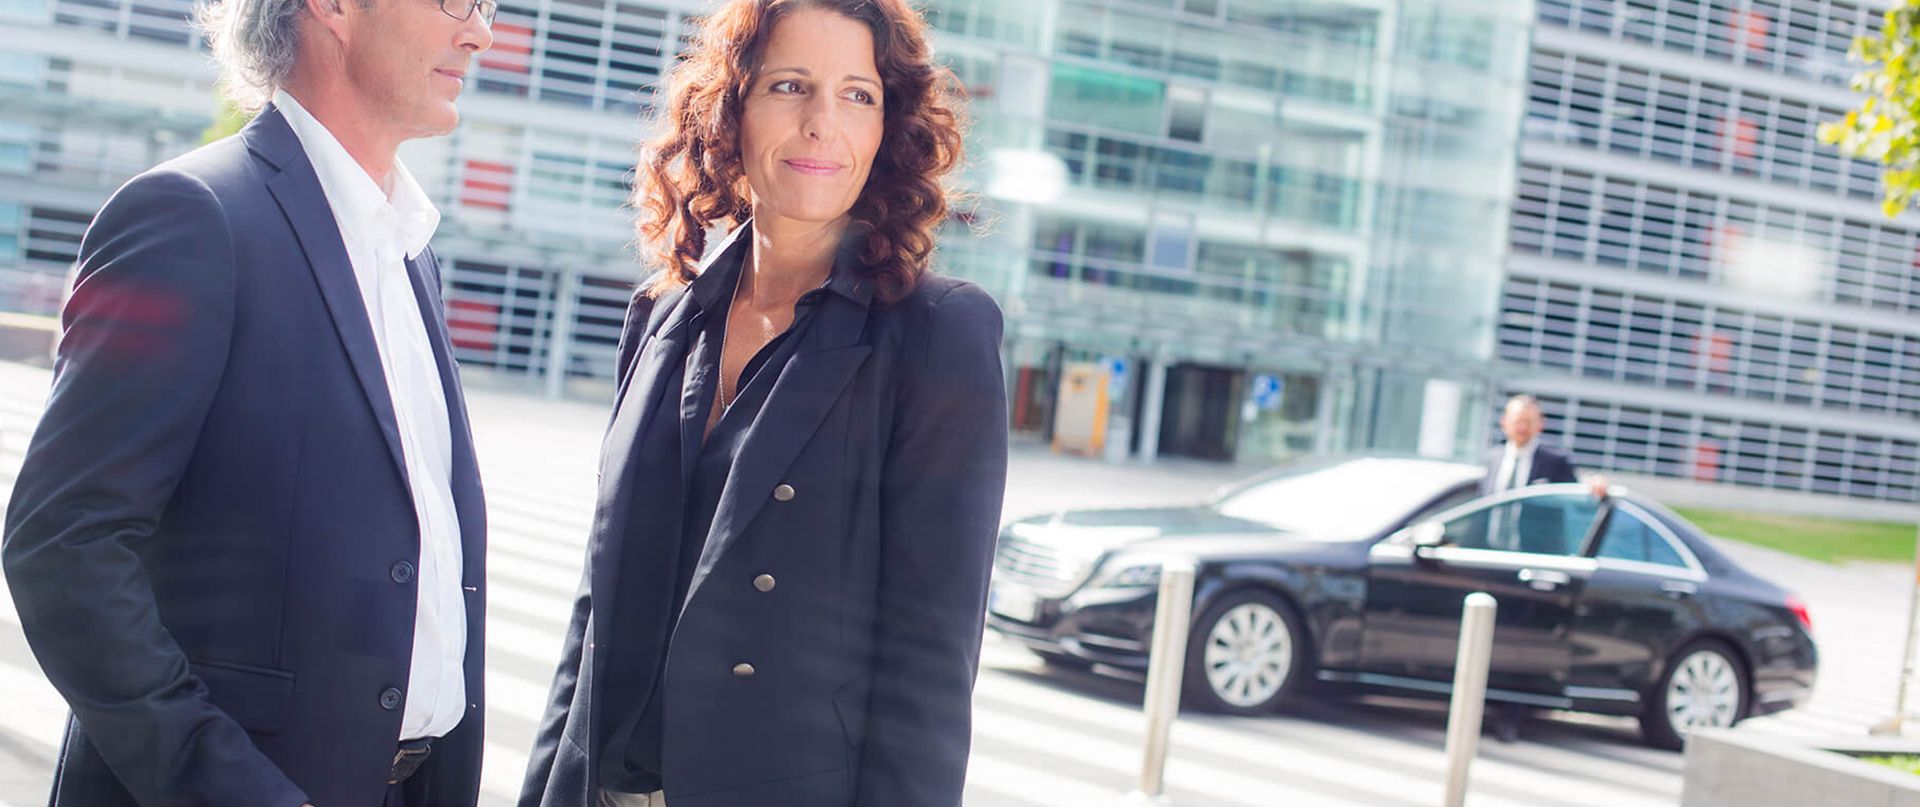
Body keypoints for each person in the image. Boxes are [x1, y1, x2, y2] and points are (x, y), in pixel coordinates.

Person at [0, 0, 495, 801]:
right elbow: (65, 546)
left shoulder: (410, 251)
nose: (480, 31)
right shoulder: (191, 216)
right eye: (455, 1)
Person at [518, 0, 1006, 805]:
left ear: (891, 128)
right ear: (732, 110)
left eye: (858, 94)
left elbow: (930, 666)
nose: (823, 124)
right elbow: (596, 612)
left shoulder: (936, 333)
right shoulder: (661, 313)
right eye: (790, 86)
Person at [1480, 393, 1606, 743]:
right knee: (1486, 640)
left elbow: (1579, 494)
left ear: (1539, 425)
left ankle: (1511, 716)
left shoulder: (1553, 462)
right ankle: (1482, 708)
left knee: (1519, 645)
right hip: (1491, 565)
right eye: (1515, 419)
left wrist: (1593, 485)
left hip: (1531, 568)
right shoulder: (1492, 459)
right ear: (1504, 423)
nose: (1521, 427)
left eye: (1528, 421)